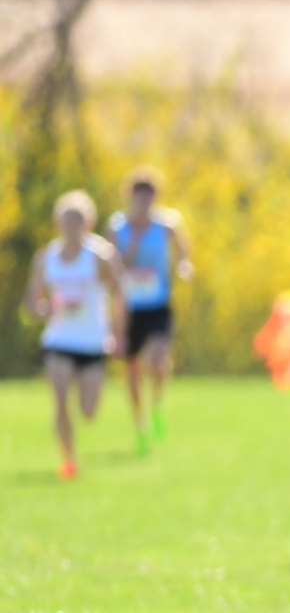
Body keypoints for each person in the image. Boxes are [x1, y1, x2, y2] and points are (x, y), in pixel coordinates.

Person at [24, 191, 126, 480]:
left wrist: (119, 335)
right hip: (59, 339)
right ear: (58, 221)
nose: (72, 225)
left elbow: (120, 294)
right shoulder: (46, 258)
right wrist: (45, 310)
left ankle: (75, 441)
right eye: (67, 219)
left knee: (88, 410)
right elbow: (32, 303)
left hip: (93, 340)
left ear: (88, 221)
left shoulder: (100, 255)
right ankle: (68, 459)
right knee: (59, 400)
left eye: (78, 219)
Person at [109, 167, 191, 452]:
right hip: (129, 307)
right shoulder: (117, 227)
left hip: (158, 303)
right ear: (130, 196)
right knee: (132, 372)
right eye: (139, 195)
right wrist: (131, 246)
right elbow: (113, 266)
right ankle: (140, 422)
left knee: (157, 360)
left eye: (149, 195)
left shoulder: (167, 224)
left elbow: (184, 249)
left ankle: (157, 404)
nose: (144, 201)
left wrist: (183, 265)